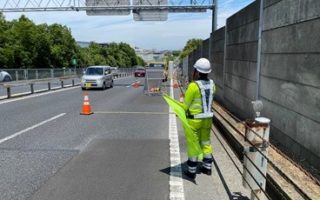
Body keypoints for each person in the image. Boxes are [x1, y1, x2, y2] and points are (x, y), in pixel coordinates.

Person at [182, 58, 216, 179]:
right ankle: (207, 168)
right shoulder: (212, 84)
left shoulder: (193, 86)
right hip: (208, 119)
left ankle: (191, 170)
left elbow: (185, 105)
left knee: (193, 143)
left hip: (194, 120)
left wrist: (179, 107)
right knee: (206, 142)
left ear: (196, 71)